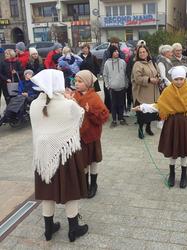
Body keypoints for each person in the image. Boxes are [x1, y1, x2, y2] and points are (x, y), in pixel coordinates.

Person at [132, 66, 187, 188]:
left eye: (181, 79)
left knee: (184, 149)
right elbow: (158, 106)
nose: (179, 82)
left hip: (185, 122)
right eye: (176, 79)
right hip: (172, 123)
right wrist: (142, 107)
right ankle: (172, 174)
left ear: (184, 78)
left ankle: (184, 175)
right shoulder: (168, 91)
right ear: (172, 80)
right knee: (172, 149)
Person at [29, 69, 88, 242]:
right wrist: (72, 101)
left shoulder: (34, 104)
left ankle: (48, 229)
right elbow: (80, 117)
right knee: (70, 189)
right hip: (66, 153)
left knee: (47, 190)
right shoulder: (68, 104)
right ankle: (73, 229)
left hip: (43, 154)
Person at [71, 70, 109, 199]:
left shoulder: (94, 97)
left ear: (87, 83)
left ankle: (93, 184)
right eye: (75, 81)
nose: (76, 83)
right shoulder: (74, 96)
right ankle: (84, 184)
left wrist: (90, 110)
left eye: (80, 81)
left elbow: (104, 116)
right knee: (83, 162)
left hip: (92, 136)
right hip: (78, 135)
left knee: (93, 160)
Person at [131, 45, 160, 139]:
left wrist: (157, 78)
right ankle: (140, 129)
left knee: (151, 112)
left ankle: (148, 128)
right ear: (138, 54)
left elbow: (157, 73)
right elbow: (137, 78)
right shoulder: (137, 64)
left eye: (144, 52)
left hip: (153, 92)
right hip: (142, 93)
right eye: (140, 52)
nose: (142, 54)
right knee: (142, 113)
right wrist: (149, 79)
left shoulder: (152, 62)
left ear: (147, 53)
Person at [103, 46, 127, 127]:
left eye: (117, 51)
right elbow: (105, 75)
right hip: (112, 88)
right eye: (115, 51)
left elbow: (126, 74)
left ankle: (121, 118)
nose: (117, 53)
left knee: (121, 104)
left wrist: (126, 84)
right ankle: (114, 120)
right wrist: (107, 85)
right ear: (111, 53)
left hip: (122, 87)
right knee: (113, 104)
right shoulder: (107, 63)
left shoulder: (123, 62)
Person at [101, 37, 126, 112]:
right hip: (110, 77)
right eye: (113, 43)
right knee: (109, 95)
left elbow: (123, 63)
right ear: (110, 44)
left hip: (119, 78)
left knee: (121, 97)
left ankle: (121, 111)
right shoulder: (106, 52)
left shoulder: (121, 52)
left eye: (116, 43)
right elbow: (104, 64)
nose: (114, 44)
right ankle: (109, 110)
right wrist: (104, 77)